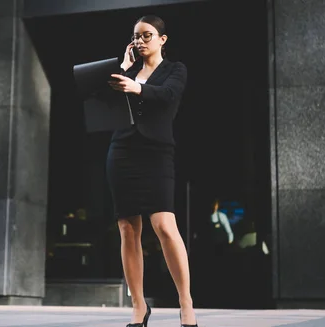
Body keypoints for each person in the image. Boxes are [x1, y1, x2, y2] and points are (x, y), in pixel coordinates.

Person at [107, 15, 196, 327]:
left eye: (147, 35)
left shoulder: (175, 70)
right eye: (136, 36)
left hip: (157, 152)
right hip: (122, 150)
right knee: (128, 229)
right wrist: (123, 69)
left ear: (162, 39)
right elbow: (106, 104)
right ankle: (138, 307)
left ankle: (186, 304)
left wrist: (137, 86)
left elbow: (168, 96)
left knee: (164, 226)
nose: (141, 41)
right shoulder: (126, 71)